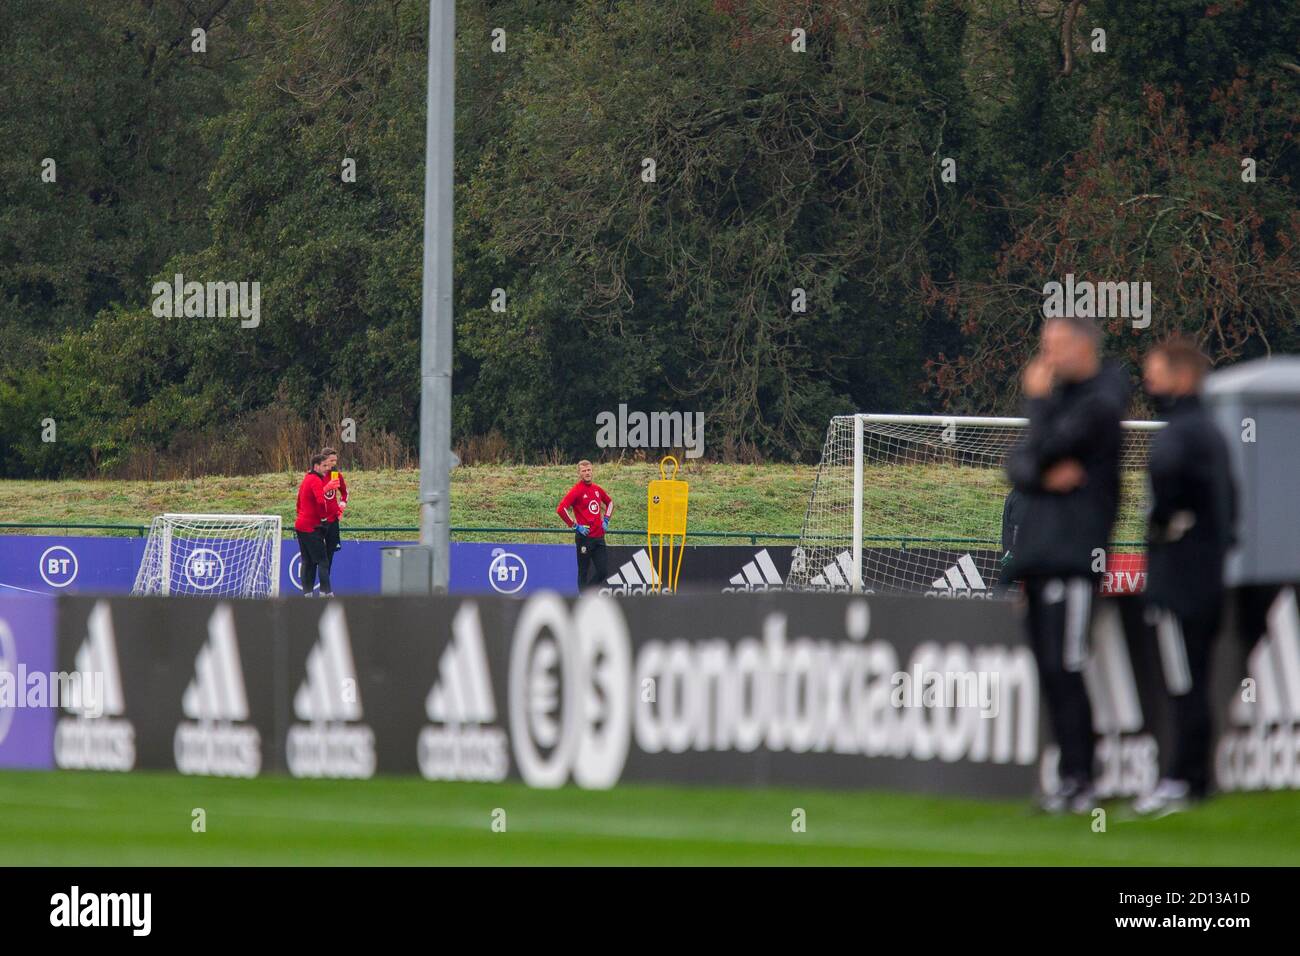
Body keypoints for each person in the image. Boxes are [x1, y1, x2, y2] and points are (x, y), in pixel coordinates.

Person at [1004, 315, 1129, 813]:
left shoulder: (1102, 400)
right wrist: (1038, 472)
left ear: (1084, 346)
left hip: (1075, 558)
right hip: (1038, 558)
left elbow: (1047, 447)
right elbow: (1018, 465)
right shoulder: (1059, 404)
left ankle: (1084, 779)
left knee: (1067, 665)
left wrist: (1035, 407)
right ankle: (1067, 776)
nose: (1047, 356)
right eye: (1044, 345)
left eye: (1055, 345)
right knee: (1049, 671)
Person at [1133, 338, 1236, 816]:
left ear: (1182, 376)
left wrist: (1161, 524)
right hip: (1210, 575)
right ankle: (1197, 781)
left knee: (1180, 683)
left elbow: (1169, 482)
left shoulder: (1179, 433)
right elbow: (1231, 506)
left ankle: (1177, 779)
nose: (1148, 381)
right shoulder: (1214, 432)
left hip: (1179, 580)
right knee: (1197, 679)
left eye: (1155, 372)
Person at [556, 460, 614, 591]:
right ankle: (582, 599)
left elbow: (610, 503)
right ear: (579, 473)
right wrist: (575, 526)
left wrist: (606, 520)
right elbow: (561, 509)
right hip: (584, 538)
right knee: (583, 571)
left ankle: (587, 593)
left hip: (599, 537)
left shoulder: (597, 489)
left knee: (603, 571)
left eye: (589, 470)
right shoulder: (576, 490)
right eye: (584, 471)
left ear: (592, 471)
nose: (587, 473)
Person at [294, 452, 341, 596]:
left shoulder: (306, 479)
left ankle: (307, 595)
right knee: (323, 561)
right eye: (324, 465)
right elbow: (321, 501)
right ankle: (326, 594)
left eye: (328, 465)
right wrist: (323, 519)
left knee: (307, 561)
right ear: (316, 466)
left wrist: (301, 515)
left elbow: (299, 502)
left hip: (301, 525)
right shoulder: (315, 480)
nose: (328, 468)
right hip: (311, 527)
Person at [320, 447, 349, 569]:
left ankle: (325, 587)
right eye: (331, 460)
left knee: (329, 556)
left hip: (332, 521)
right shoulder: (316, 475)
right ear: (324, 460)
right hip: (317, 521)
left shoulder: (336, 475)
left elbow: (345, 493)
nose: (334, 463)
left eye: (335, 460)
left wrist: (341, 508)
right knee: (316, 557)